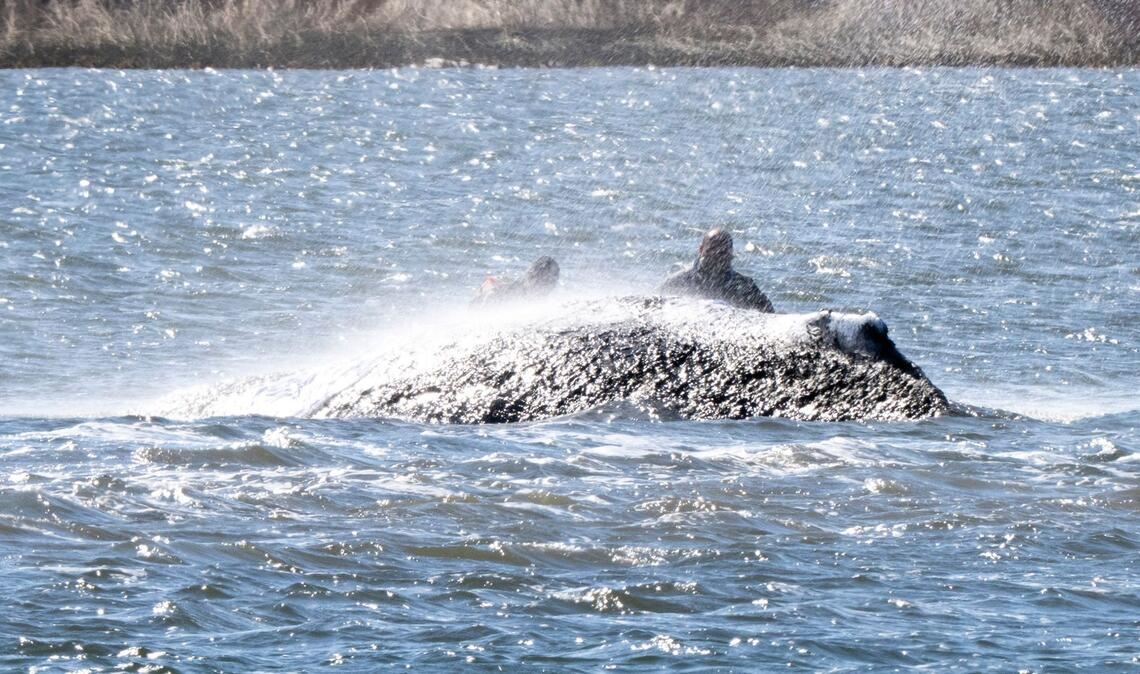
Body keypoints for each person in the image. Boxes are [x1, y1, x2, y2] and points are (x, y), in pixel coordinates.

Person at [660, 229, 774, 312]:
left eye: (722, 252)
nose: (717, 256)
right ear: (701, 250)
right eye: (712, 250)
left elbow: (769, 316)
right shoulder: (678, 281)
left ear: (731, 253)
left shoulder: (745, 287)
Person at [472, 255, 560, 305]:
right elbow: (490, 290)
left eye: (553, 279)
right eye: (545, 280)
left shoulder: (542, 301)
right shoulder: (509, 290)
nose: (551, 283)